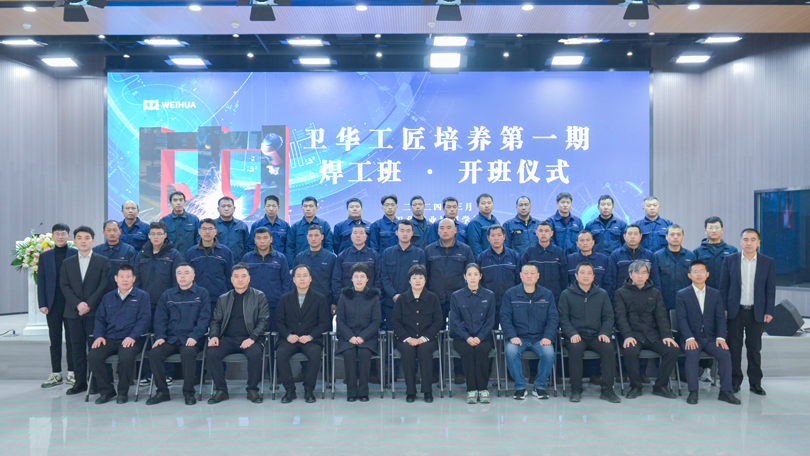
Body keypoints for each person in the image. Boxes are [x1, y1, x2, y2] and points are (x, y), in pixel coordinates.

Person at [719, 228, 775, 396]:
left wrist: (769, 310)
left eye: (752, 239)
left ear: (758, 242)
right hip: (735, 311)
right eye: (745, 239)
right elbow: (723, 287)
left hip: (756, 312)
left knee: (754, 349)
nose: (749, 243)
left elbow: (770, 289)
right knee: (734, 349)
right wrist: (724, 309)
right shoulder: (730, 260)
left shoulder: (767, 262)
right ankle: (735, 382)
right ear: (740, 241)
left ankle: (755, 383)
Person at [675, 260, 740, 405]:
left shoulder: (715, 294)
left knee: (724, 354)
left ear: (707, 274)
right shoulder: (682, 294)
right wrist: (689, 338)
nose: (699, 274)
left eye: (702, 271)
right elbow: (681, 319)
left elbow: (720, 318)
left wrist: (721, 337)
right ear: (689, 275)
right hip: (692, 337)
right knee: (692, 354)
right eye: (695, 272)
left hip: (711, 338)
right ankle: (693, 391)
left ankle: (725, 391)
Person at [146, 263, 211, 406]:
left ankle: (188, 393)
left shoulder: (202, 294)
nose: (182, 276)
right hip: (171, 338)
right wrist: (160, 337)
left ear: (193, 276)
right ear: (175, 276)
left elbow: (204, 319)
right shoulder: (167, 295)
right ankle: (162, 392)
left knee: (188, 353)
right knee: (154, 354)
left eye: (186, 273)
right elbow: (160, 319)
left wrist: (194, 336)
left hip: (192, 338)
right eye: (179, 273)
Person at [613, 259, 679, 399]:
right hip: (632, 335)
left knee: (672, 350)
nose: (640, 276)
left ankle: (660, 386)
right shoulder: (620, 293)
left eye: (644, 273)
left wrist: (667, 335)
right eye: (637, 272)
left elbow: (661, 316)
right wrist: (627, 336)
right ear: (630, 275)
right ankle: (635, 386)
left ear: (648, 275)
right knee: (630, 351)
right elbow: (620, 318)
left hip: (652, 335)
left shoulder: (655, 293)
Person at [206, 263, 270, 404]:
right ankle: (221, 390)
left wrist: (253, 338)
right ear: (231, 279)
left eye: (243, 276)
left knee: (255, 354)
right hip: (228, 339)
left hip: (250, 338)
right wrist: (214, 336)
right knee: (212, 353)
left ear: (249, 278)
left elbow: (264, 321)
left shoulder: (259, 296)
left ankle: (252, 389)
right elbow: (216, 321)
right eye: (236, 276)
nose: (240, 279)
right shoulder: (223, 298)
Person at [87, 264, 151, 404]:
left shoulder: (142, 296)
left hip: (131, 339)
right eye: (121, 277)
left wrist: (132, 336)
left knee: (126, 357)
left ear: (134, 278)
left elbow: (144, 320)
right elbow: (100, 319)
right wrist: (99, 336)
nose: (125, 280)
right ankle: (107, 391)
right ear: (116, 278)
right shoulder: (108, 297)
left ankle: (123, 392)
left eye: (128, 277)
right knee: (93, 356)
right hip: (109, 338)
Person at [558, 262, 620, 403]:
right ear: (576, 275)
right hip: (576, 335)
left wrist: (604, 332)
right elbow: (563, 318)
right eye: (582, 273)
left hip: (596, 335)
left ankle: (607, 390)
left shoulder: (602, 294)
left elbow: (608, 316)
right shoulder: (566, 294)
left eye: (589, 273)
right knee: (575, 350)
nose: (585, 276)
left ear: (593, 276)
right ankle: (576, 390)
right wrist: (572, 333)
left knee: (608, 349)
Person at [59, 226, 111, 396]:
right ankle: (80, 382)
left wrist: (88, 304)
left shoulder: (102, 261)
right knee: (76, 348)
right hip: (73, 312)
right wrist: (78, 304)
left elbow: (103, 285)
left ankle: (95, 383)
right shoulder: (67, 263)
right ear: (74, 241)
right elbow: (64, 286)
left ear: (93, 241)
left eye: (87, 238)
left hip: (94, 313)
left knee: (95, 349)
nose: (83, 241)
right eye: (79, 238)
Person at [276, 264, 332, 404]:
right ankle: (290, 390)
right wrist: (288, 335)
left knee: (315, 354)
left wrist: (310, 336)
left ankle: (309, 390)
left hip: (311, 339)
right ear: (293, 279)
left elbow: (325, 323)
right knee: (281, 353)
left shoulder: (320, 298)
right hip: (290, 339)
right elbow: (279, 322)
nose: (302, 279)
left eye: (305, 276)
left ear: (310, 278)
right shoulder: (285, 298)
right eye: (299, 276)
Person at [501, 263, 558, 400]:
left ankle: (539, 386)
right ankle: (520, 387)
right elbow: (505, 317)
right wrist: (512, 336)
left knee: (549, 353)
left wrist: (548, 337)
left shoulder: (547, 294)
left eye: (532, 273)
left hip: (540, 338)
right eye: (526, 273)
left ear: (538, 276)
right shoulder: (510, 294)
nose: (529, 276)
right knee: (511, 351)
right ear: (520, 276)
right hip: (519, 338)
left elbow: (553, 318)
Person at [392, 265, 443, 403]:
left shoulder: (432, 298)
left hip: (427, 339)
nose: (418, 281)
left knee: (424, 351)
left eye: (421, 278)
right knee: (408, 351)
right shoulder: (402, 299)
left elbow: (438, 321)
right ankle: (411, 391)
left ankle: (427, 391)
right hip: (405, 339)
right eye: (414, 278)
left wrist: (424, 338)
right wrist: (408, 338)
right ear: (409, 280)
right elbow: (395, 322)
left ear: (425, 280)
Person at [449, 264, 496, 404]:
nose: (472, 277)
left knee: (481, 351)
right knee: (468, 351)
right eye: (469, 274)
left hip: (484, 338)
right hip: (462, 338)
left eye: (476, 274)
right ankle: (471, 390)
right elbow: (455, 321)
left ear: (480, 276)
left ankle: (483, 389)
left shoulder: (489, 295)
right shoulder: (456, 296)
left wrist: (479, 337)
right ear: (464, 277)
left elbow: (490, 320)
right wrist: (467, 337)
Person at [38, 223, 77, 389]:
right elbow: (41, 281)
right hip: (52, 304)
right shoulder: (45, 256)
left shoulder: (75, 253)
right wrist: (42, 303)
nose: (60, 237)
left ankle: (72, 372)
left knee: (72, 339)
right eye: (57, 234)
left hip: (71, 303)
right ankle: (56, 373)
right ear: (52, 236)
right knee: (55, 339)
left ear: (69, 236)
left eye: (63, 233)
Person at [335, 263, 382, 402]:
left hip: (367, 338)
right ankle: (351, 392)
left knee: (364, 353)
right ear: (351, 279)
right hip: (347, 338)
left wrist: (362, 337)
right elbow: (340, 320)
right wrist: (350, 337)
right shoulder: (344, 296)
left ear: (367, 279)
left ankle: (363, 391)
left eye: (362, 276)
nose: (359, 279)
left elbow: (376, 321)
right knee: (349, 353)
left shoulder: (374, 297)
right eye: (356, 276)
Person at [241, 227, 291, 332]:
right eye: (258, 238)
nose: (262, 241)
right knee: (253, 334)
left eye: (265, 237)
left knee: (274, 334)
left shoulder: (280, 258)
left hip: (274, 304)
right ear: (254, 240)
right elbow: (242, 281)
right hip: (252, 304)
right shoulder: (247, 258)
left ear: (271, 239)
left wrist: (284, 302)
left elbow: (286, 281)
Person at [380, 220, 426, 331]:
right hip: (391, 302)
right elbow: (384, 276)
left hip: (413, 302)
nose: (405, 234)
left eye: (408, 231)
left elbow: (421, 278)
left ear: (412, 233)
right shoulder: (387, 253)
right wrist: (393, 294)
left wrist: (407, 295)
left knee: (411, 333)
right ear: (396, 232)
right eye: (402, 230)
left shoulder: (419, 253)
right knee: (391, 334)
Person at [476, 225, 520, 327]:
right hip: (489, 303)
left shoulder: (514, 256)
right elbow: (479, 282)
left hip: (510, 302)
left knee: (511, 331)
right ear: (488, 238)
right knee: (489, 332)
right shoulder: (482, 258)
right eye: (493, 235)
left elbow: (518, 280)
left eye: (499, 235)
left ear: (504, 237)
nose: (496, 238)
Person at [186, 218, 235, 310]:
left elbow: (230, 276)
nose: (207, 232)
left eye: (210, 229)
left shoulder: (225, 252)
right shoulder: (191, 253)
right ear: (199, 232)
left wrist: (229, 296)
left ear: (215, 231)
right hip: (196, 299)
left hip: (220, 299)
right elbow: (187, 277)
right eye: (204, 229)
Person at [134, 221, 182, 313]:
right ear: (149, 235)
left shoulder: (174, 255)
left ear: (165, 235)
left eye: (159, 234)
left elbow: (177, 280)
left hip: (166, 302)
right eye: (153, 234)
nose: (156, 237)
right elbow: (136, 279)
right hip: (145, 302)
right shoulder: (142, 254)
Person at [607, 224, 662, 299]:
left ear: (640, 237)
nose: (632, 236)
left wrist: (655, 298)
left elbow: (655, 279)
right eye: (629, 234)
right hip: (623, 298)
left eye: (635, 234)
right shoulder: (616, 255)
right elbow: (611, 280)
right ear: (624, 236)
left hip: (645, 297)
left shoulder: (649, 255)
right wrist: (614, 298)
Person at [519, 221, 568, 302]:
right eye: (540, 231)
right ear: (536, 233)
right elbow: (520, 275)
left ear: (551, 233)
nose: (543, 234)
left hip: (555, 297)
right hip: (533, 297)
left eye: (546, 231)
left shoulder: (559, 252)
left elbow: (564, 277)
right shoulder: (529, 252)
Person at [293, 224, 338, 313]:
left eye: (316, 235)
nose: (313, 239)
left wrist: (335, 301)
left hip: (325, 301)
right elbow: (293, 281)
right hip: (303, 301)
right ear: (307, 237)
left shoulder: (331, 258)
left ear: (322, 237)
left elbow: (335, 281)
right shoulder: (300, 257)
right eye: (310, 235)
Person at [332, 224, 381, 302]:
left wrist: (374, 295)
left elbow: (379, 278)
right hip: (347, 300)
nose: (358, 236)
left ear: (366, 236)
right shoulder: (342, 256)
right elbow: (336, 279)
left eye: (361, 233)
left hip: (370, 299)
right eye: (355, 233)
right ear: (351, 236)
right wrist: (340, 298)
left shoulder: (374, 255)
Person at [654, 224, 695, 311]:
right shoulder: (657, 256)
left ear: (683, 237)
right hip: (664, 301)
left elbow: (695, 279)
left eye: (679, 234)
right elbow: (655, 280)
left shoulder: (691, 256)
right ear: (666, 237)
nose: (675, 237)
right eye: (672, 234)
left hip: (687, 300)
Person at [286, 196, 333, 266]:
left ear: (316, 208)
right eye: (305, 206)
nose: (308, 209)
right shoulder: (295, 227)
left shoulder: (324, 225)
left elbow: (329, 246)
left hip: (321, 264)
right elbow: (290, 248)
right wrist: (292, 267)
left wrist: (327, 263)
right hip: (300, 265)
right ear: (302, 208)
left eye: (311, 206)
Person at [693, 216, 738, 290]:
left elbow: (735, 275)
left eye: (717, 228)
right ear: (705, 230)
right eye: (710, 228)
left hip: (726, 291)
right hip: (705, 291)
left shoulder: (732, 250)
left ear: (722, 230)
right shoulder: (698, 251)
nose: (714, 231)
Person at [93, 220, 137, 293]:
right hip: (101, 292)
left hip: (122, 291)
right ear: (104, 232)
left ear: (120, 231)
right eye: (109, 230)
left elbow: (133, 273)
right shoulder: (97, 250)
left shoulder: (129, 250)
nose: (112, 233)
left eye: (115, 230)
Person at [161, 191, 200, 260]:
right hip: (170, 259)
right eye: (175, 200)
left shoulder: (194, 219)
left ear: (185, 202)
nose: (178, 203)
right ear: (170, 203)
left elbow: (199, 239)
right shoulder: (164, 221)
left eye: (181, 200)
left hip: (190, 258)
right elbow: (161, 242)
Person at [215, 196, 250, 261]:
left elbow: (247, 245)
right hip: (218, 262)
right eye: (223, 206)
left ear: (234, 208)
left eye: (229, 206)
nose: (226, 209)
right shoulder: (212, 226)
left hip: (238, 263)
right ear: (218, 209)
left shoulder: (242, 226)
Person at [466, 193, 500, 257]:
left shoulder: (496, 221)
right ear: (478, 206)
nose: (487, 206)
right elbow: (474, 245)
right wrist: (481, 259)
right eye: (483, 203)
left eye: (489, 203)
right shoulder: (475, 222)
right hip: (484, 259)